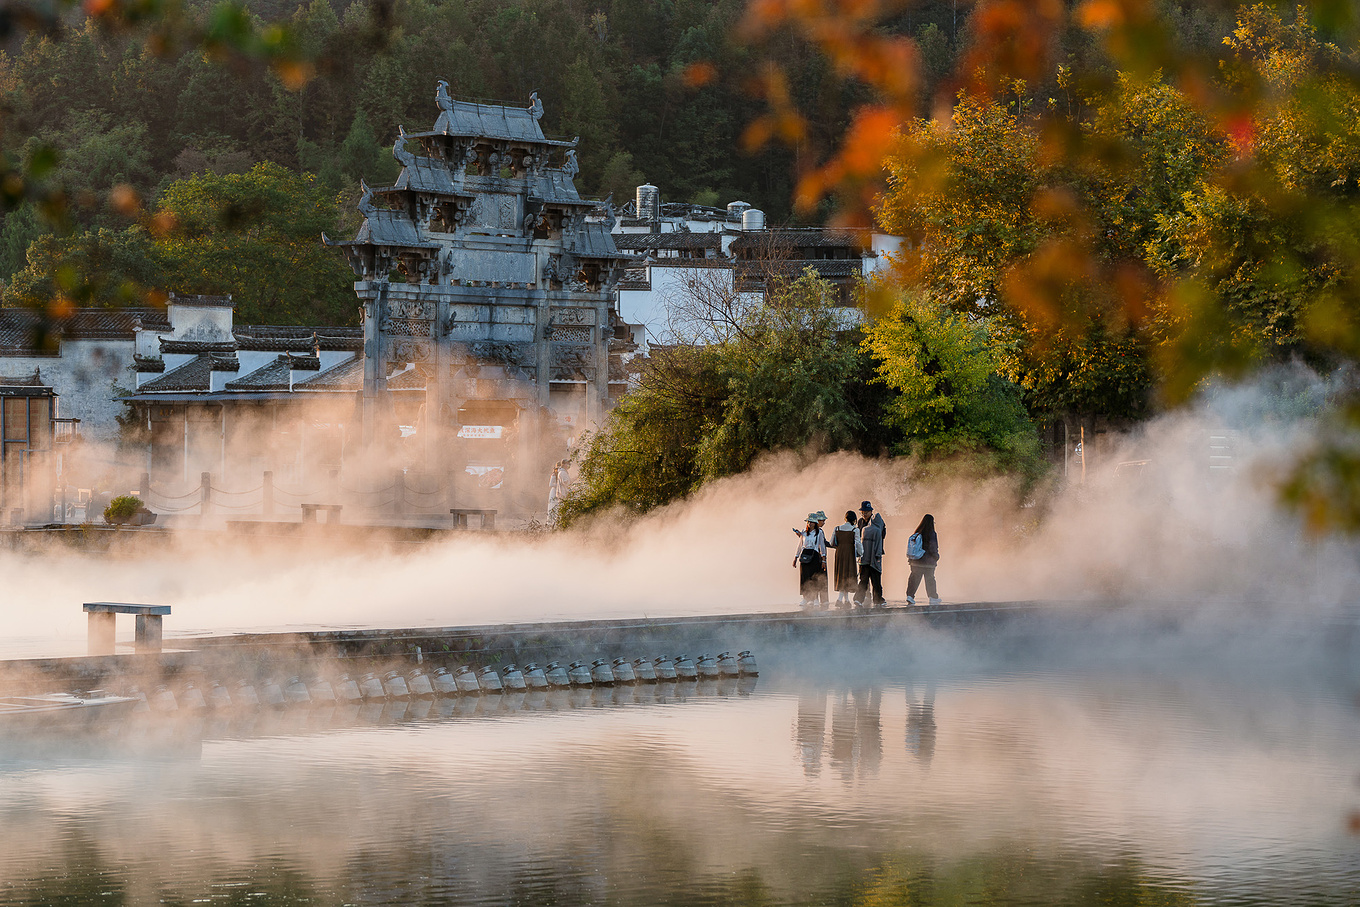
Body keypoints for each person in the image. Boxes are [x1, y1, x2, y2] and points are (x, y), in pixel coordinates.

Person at [827, 510, 863, 608]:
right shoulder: (855, 530)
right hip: (849, 554)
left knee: (841, 575)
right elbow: (858, 544)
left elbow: (831, 543)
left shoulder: (837, 528)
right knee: (848, 575)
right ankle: (840, 600)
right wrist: (860, 553)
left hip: (839, 554)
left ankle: (845, 600)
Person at [792, 513, 827, 610]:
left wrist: (824, 560)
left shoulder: (819, 532)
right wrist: (795, 557)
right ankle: (805, 598)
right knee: (805, 577)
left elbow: (822, 546)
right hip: (805, 556)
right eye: (808, 522)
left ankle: (815, 599)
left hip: (814, 555)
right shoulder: (803, 532)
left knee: (814, 577)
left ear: (815, 523)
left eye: (811, 522)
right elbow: (800, 545)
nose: (809, 524)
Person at [854, 503, 886, 608]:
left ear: (871, 511)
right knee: (864, 578)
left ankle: (876, 599)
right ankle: (862, 598)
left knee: (875, 578)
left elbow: (882, 536)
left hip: (874, 553)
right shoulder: (860, 522)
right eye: (862, 512)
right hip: (864, 555)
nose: (864, 514)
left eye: (866, 512)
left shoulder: (878, 522)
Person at [906, 513, 940, 606]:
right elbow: (933, 547)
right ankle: (933, 597)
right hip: (928, 563)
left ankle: (910, 596)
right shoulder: (931, 533)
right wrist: (936, 556)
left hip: (915, 562)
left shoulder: (917, 533)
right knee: (930, 579)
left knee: (914, 579)